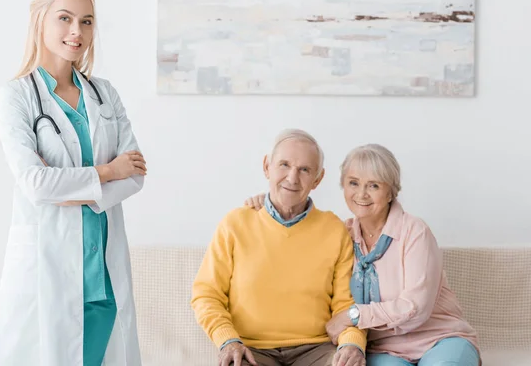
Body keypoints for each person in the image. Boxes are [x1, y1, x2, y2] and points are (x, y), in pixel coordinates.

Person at [0, 0, 145, 366]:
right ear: (40, 21)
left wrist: (67, 189)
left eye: (87, 21)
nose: (77, 32)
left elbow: (136, 174)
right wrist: (108, 170)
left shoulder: (104, 93)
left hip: (102, 278)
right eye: (65, 18)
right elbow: (35, 184)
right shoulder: (17, 96)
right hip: (48, 273)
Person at [245, 144, 481, 366]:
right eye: (353, 183)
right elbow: (296, 240)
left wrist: (354, 315)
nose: (362, 194)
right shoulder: (341, 234)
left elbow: (415, 307)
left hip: (438, 338)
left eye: (374, 185)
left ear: (391, 192)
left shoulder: (414, 231)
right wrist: (267, 206)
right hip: (383, 348)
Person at [192, 129, 366, 366]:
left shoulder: (335, 230)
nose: (293, 178)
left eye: (305, 169)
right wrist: (228, 340)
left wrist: (352, 343)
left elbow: (348, 303)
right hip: (250, 349)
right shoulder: (234, 224)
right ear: (267, 167)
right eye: (284, 165)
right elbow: (206, 294)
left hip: (317, 349)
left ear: (318, 179)